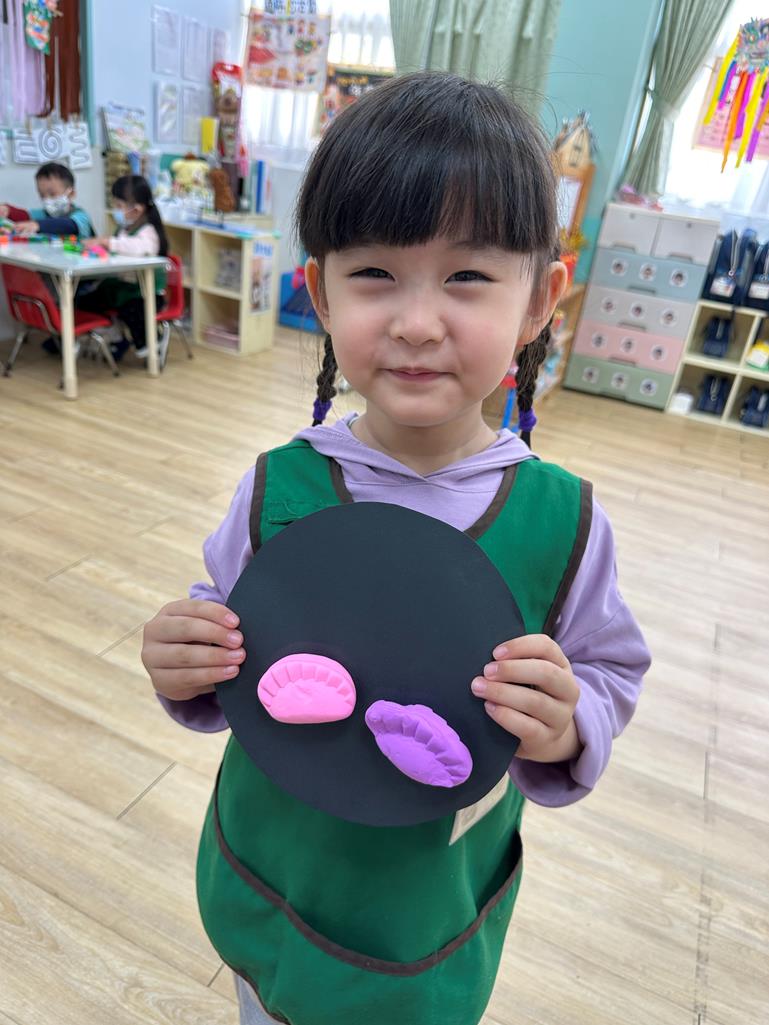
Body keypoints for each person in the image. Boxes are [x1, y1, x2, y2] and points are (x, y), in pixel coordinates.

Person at [141, 72, 651, 1025]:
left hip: (421, 914)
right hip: (270, 872)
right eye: (374, 273)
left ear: (538, 301)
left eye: (467, 277)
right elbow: (228, 618)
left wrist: (569, 719)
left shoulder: (563, 521)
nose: (417, 322)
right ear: (320, 293)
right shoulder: (277, 485)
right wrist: (188, 655)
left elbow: (608, 670)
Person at [79, 175, 169, 360]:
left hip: (145, 293)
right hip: (120, 287)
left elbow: (139, 248)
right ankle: (117, 338)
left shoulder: (148, 231)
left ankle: (152, 345)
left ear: (137, 209)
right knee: (84, 302)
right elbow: (117, 249)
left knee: (132, 311)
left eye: (119, 206)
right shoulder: (123, 229)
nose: (116, 210)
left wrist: (108, 242)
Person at [0, 161, 95, 238]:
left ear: (71, 194)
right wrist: (8, 210)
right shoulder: (44, 214)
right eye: (42, 195)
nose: (47, 199)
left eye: (52, 194)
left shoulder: (81, 216)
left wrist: (38, 225)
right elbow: (25, 216)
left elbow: (69, 225)